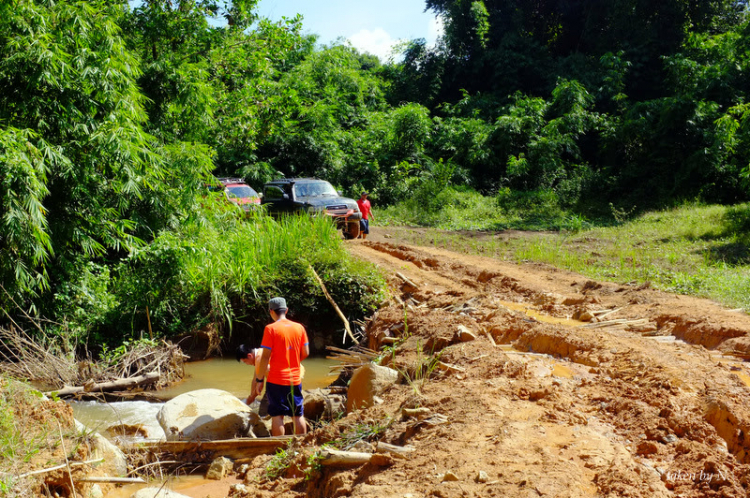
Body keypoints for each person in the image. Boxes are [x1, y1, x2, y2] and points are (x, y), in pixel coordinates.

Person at [253, 297, 309, 436]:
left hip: (275, 380)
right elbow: (306, 352)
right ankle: (302, 445)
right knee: (297, 414)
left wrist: (259, 380)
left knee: (277, 416)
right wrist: (294, 362)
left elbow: (265, 356)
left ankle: (280, 449)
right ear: (286, 310)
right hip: (295, 379)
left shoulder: (270, 329)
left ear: (271, 311)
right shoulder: (299, 327)